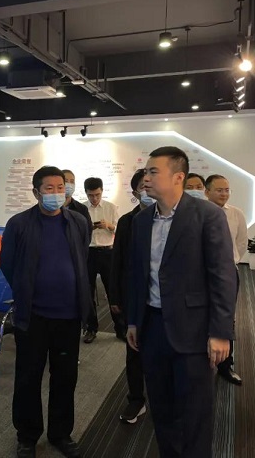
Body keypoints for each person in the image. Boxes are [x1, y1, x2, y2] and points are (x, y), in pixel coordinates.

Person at [127, 146, 237, 458]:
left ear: (178, 177)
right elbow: (137, 274)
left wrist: (221, 332)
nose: (146, 178)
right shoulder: (142, 220)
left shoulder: (207, 216)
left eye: (153, 172)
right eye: (146, 172)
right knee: (162, 407)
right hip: (152, 326)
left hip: (194, 329)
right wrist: (134, 320)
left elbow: (223, 276)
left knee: (194, 411)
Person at [0, 166, 93, 458]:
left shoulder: (78, 221)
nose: (56, 193)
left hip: (68, 316)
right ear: (36, 192)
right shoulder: (19, 223)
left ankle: (60, 433)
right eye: (49, 188)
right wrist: (26, 289)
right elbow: (8, 263)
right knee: (28, 378)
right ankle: (27, 436)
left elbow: (82, 256)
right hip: (33, 317)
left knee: (65, 377)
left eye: (60, 187)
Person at [109, 169, 147, 424]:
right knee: (134, 350)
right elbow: (118, 260)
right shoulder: (127, 221)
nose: (150, 188)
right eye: (144, 185)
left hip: (166, 301)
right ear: (135, 192)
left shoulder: (177, 218)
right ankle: (136, 398)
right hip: (134, 297)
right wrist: (115, 297)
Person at [205, 174, 247, 386]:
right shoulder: (199, 213)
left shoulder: (236, 214)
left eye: (227, 190)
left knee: (226, 317)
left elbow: (241, 243)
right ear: (207, 192)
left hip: (228, 273)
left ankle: (225, 365)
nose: (224, 194)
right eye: (219, 190)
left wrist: (229, 263)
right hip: (201, 274)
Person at [83, 177, 120, 343]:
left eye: (97, 195)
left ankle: (120, 327)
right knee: (88, 292)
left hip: (107, 252)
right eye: (91, 195)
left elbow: (119, 230)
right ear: (86, 193)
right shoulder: (82, 209)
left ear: (102, 191)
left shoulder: (111, 207)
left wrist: (109, 226)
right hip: (89, 253)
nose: (94, 198)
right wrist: (89, 227)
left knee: (113, 291)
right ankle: (91, 328)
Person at [62, 169, 92, 234]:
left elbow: (88, 232)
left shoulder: (82, 209)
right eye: (66, 181)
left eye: (72, 181)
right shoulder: (53, 207)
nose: (69, 184)